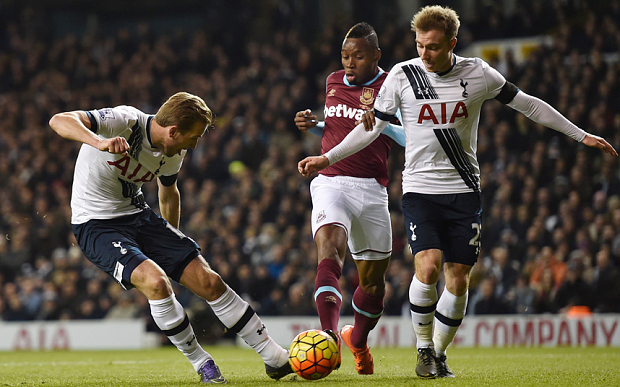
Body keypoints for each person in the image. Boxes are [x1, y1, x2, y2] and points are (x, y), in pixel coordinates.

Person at [298, 5, 617, 379]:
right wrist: (327, 157)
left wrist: (581, 135)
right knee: (428, 266)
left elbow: (528, 104)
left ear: (452, 43)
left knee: (459, 278)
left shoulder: (478, 73)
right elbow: (373, 128)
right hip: (418, 190)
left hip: (464, 191)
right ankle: (422, 350)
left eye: (433, 47)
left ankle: (438, 350)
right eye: (419, 45)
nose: (424, 54)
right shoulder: (403, 75)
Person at [49, 92, 293, 384]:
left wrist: (173, 245)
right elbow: (59, 120)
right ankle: (201, 362)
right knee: (156, 282)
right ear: (174, 131)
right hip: (96, 224)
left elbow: (168, 193)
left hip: (139, 216)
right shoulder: (124, 121)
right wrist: (99, 141)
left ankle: (275, 357)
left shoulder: (173, 152)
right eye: (194, 136)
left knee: (209, 281)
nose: (195, 144)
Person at [294, 22, 404, 375]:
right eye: (345, 56)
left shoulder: (393, 86)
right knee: (329, 247)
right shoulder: (333, 81)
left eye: (358, 56)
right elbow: (339, 126)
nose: (349, 63)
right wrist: (315, 125)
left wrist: (384, 123)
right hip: (331, 181)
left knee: (372, 286)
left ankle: (357, 339)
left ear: (376, 56)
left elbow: (408, 137)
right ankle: (329, 337)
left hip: (372, 189)